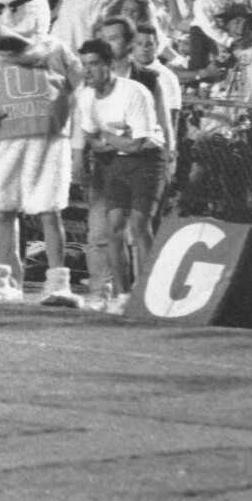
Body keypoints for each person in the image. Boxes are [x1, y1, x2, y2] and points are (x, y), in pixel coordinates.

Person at [76, 38, 167, 315]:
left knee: (139, 227)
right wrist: (114, 139)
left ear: (110, 65)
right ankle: (122, 294)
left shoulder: (134, 92)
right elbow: (93, 137)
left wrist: (108, 138)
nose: (87, 71)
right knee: (114, 228)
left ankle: (150, 295)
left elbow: (138, 144)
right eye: (84, 65)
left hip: (148, 162)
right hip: (118, 162)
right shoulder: (87, 96)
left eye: (93, 64)